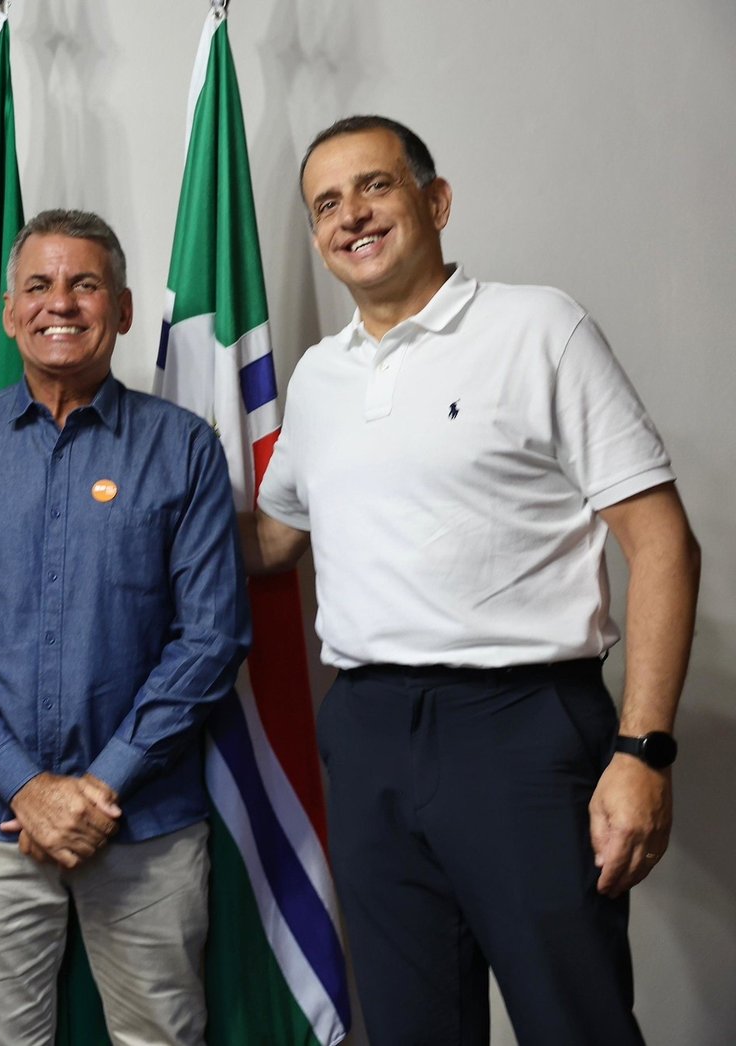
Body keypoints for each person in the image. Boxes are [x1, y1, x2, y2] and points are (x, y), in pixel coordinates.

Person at [249, 115, 701, 1045]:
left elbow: (663, 545)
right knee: (410, 1029)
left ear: (436, 200)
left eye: (374, 186)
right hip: (369, 732)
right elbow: (273, 540)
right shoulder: (320, 376)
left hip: (522, 730)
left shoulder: (538, 327)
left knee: (573, 1024)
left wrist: (644, 751)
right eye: (326, 204)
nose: (350, 215)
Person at [0, 209, 250, 1046]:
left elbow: (211, 638)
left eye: (85, 284)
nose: (61, 303)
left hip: (145, 820)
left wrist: (105, 783)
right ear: (9, 313)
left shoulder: (184, 449)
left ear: (122, 309)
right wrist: (25, 785)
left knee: (163, 1037)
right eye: (40, 285)